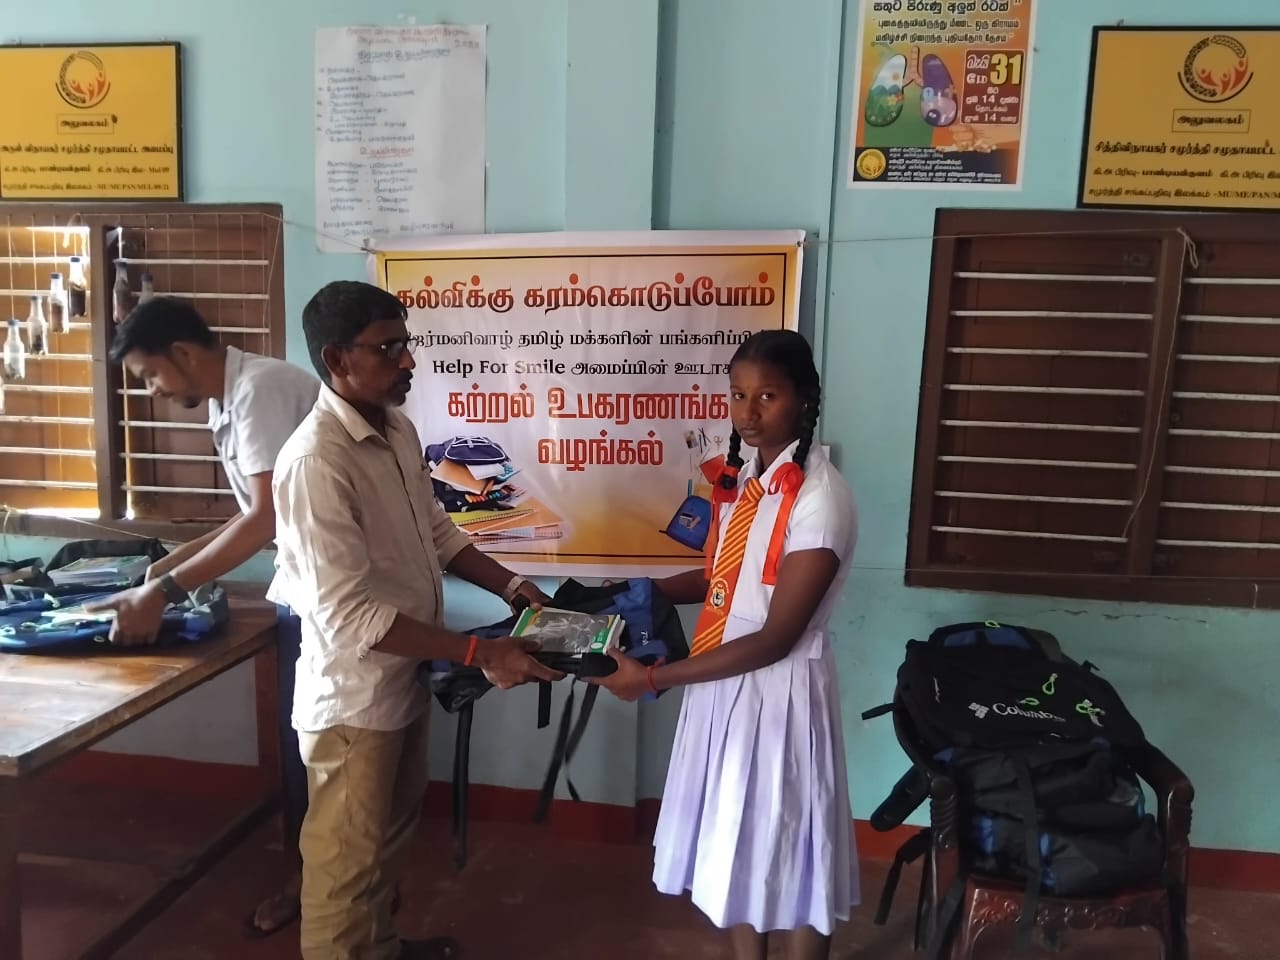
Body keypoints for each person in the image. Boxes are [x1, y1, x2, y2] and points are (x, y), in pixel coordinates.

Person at [268, 280, 562, 960]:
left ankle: (381, 948)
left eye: (406, 343)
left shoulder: (396, 429)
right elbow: (352, 615)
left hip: (404, 680)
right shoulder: (315, 463)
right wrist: (482, 654)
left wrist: (514, 587)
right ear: (338, 359)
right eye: (388, 348)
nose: (408, 361)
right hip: (353, 701)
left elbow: (439, 532)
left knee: (388, 841)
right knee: (345, 866)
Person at [588, 329, 859, 960]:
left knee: (793, 845)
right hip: (720, 684)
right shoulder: (746, 484)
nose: (748, 413)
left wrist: (651, 680)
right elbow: (722, 579)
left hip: (780, 693)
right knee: (735, 842)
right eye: (738, 395)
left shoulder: (819, 501)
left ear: (805, 399)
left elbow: (776, 637)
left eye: (768, 396)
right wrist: (641, 590)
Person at [86, 296, 322, 939]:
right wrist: (158, 572)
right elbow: (255, 514)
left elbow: (265, 520)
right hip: (308, 587)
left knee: (317, 752)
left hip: (334, 594)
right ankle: (322, 877)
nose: (155, 391)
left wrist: (164, 592)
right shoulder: (234, 399)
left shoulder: (260, 391)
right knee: (305, 749)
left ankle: (321, 887)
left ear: (184, 353)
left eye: (151, 375)